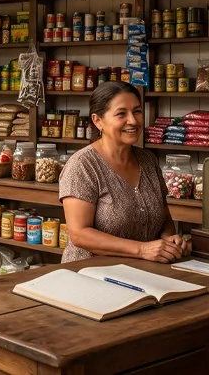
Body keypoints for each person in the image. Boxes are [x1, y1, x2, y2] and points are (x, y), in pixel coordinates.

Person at [58, 81, 190, 263]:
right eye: (121, 114)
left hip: (142, 273)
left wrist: (169, 239)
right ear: (98, 121)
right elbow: (80, 234)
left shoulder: (148, 160)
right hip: (89, 274)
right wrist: (142, 250)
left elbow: (163, 216)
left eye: (137, 111)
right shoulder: (83, 165)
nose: (133, 121)